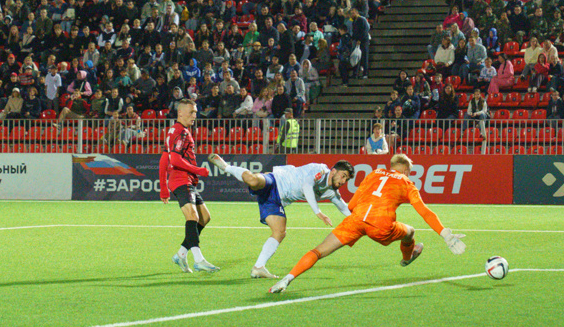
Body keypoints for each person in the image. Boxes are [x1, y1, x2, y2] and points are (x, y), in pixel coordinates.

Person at [269, 153, 467, 293]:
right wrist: (445, 234)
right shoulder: (406, 183)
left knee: (318, 251)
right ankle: (407, 258)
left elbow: (352, 204)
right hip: (381, 226)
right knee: (410, 231)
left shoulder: (374, 173)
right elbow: (424, 211)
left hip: (355, 220)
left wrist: (360, 220)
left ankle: (286, 279)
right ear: (406, 170)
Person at [208, 154, 355, 279]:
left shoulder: (331, 192)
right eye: (343, 176)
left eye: (346, 179)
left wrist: (360, 220)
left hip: (277, 200)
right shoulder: (321, 170)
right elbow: (307, 186)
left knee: (279, 232)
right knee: (253, 180)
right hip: (276, 181)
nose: (343, 181)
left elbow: (343, 207)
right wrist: (318, 212)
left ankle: (258, 267)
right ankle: (226, 167)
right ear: (333, 171)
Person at [158, 99, 219, 274]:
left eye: (195, 112)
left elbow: (164, 160)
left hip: (185, 180)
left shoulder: (173, 131)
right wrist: (198, 170)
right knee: (192, 216)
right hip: (181, 179)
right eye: (191, 112)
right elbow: (176, 160)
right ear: (180, 113)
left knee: (204, 217)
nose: (195, 115)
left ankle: (181, 254)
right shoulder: (181, 132)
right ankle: (199, 260)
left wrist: (164, 188)